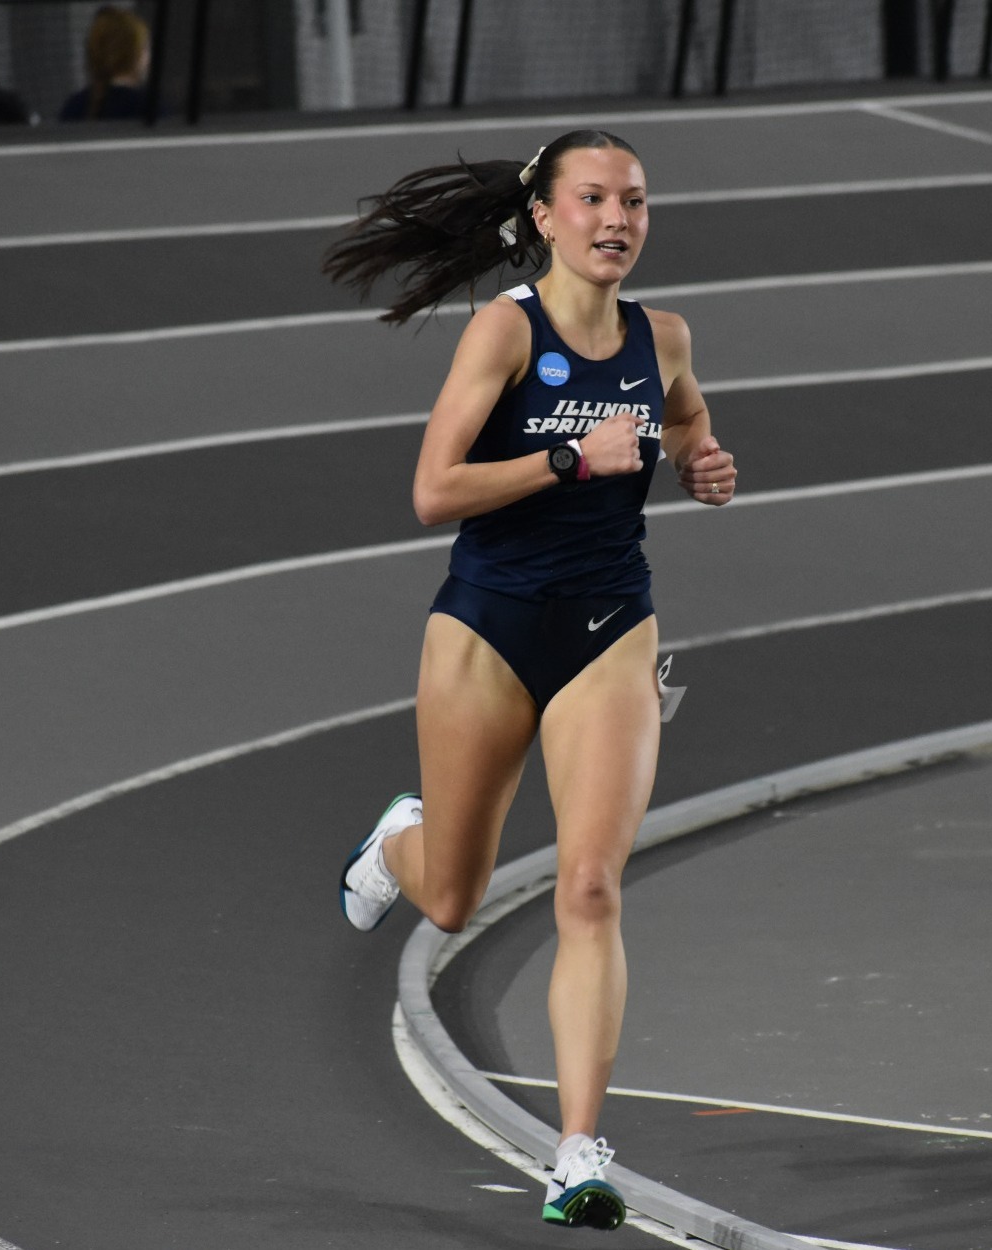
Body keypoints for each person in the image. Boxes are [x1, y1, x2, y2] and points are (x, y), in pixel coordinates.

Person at [324, 130, 737, 1230]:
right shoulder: (507, 332)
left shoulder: (666, 336)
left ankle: (576, 1150)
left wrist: (699, 460)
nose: (617, 219)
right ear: (544, 217)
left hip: (610, 627)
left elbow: (687, 418)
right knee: (451, 897)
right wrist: (566, 457)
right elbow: (431, 490)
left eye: (635, 201)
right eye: (594, 199)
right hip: (485, 631)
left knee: (590, 886)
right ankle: (394, 843)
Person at [59, 5, 154, 122]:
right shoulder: (150, 109)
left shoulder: (74, 107)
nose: (149, 60)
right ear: (132, 53)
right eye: (144, 48)